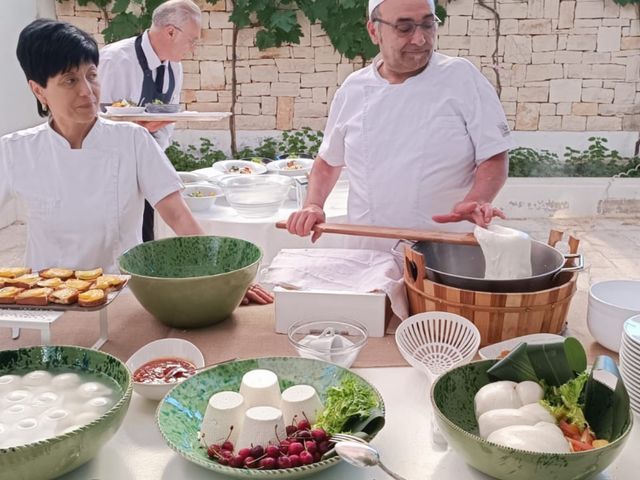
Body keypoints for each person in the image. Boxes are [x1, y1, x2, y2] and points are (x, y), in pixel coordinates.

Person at [0, 19, 272, 305]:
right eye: (70, 80)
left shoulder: (132, 139)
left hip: (124, 296)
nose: (87, 91)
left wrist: (225, 277)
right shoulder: (15, 151)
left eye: (91, 75)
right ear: (38, 90)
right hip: (47, 298)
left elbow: (178, 215)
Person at [286, 0, 513, 250]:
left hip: (446, 250)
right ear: (374, 31)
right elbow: (329, 161)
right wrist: (313, 204)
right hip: (369, 248)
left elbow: (493, 154)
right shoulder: (353, 89)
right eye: (404, 28)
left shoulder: (461, 77)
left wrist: (477, 198)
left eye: (428, 25)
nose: (420, 39)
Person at [98, 0, 202, 242]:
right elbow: (94, 121)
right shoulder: (115, 60)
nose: (193, 48)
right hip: (110, 174)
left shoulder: (175, 68)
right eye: (192, 40)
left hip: (146, 167)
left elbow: (169, 121)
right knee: (113, 241)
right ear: (170, 31)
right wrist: (138, 129)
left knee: (144, 237)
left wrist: (153, 158)